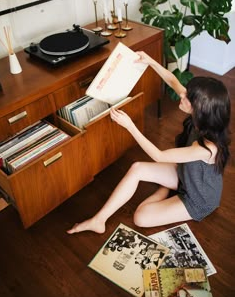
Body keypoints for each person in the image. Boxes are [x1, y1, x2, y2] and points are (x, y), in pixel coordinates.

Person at [67, 51, 231, 235]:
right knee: (137, 168)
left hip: (198, 198)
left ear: (200, 110)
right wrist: (150, 60)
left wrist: (130, 126)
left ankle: (165, 189)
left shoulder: (206, 148)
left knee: (140, 217)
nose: (181, 96)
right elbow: (172, 81)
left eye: (187, 98)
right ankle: (99, 220)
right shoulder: (201, 116)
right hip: (186, 175)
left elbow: (159, 156)